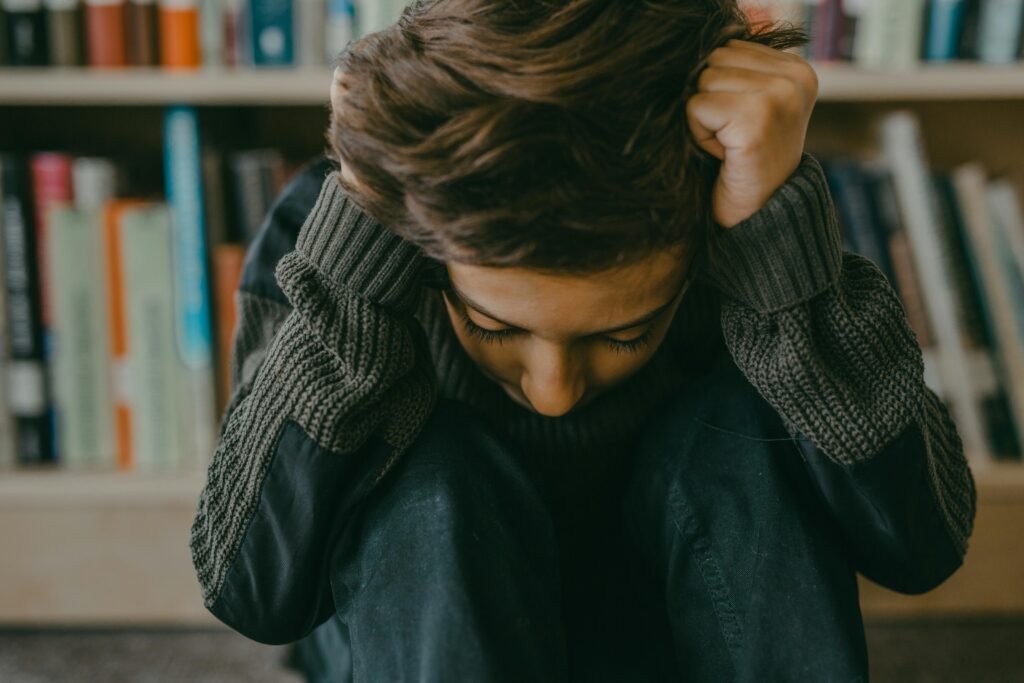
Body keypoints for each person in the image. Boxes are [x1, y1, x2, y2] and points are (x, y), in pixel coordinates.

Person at [189, 1, 976, 680]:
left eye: (626, 333)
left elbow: (920, 545)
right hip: (419, 644)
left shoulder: (739, 218)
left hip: (673, 629)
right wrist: (371, 206)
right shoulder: (336, 232)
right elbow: (254, 589)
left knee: (741, 440)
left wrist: (779, 248)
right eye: (494, 325)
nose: (553, 390)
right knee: (433, 480)